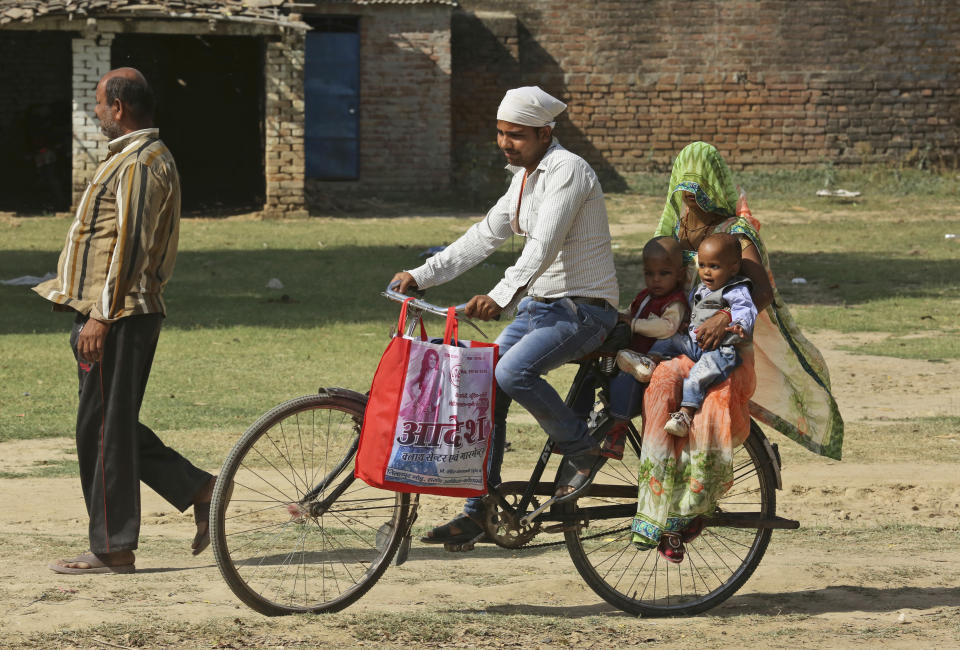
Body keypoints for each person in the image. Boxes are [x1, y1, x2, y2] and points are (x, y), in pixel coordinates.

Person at [391, 86, 619, 545]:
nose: (505, 143)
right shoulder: (522, 180)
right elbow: (482, 237)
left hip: (585, 309)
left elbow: (543, 245)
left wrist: (499, 295)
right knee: (482, 389)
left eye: (515, 135)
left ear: (543, 132)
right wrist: (421, 274)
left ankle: (582, 450)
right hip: (540, 308)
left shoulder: (569, 170)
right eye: (499, 133)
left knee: (513, 372)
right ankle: (480, 509)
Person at [34, 68, 215, 574]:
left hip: (120, 315)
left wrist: (100, 315)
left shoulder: (139, 163)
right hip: (116, 313)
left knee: (104, 432)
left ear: (118, 107)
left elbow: (131, 246)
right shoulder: (135, 158)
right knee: (106, 425)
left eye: (98, 104)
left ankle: (114, 547)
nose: (95, 112)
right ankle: (197, 486)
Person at [631, 141, 843, 563]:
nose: (691, 202)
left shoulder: (734, 234)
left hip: (728, 353)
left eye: (699, 192)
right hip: (689, 344)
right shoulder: (679, 231)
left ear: (714, 188)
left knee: (712, 403)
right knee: (661, 381)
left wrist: (723, 319)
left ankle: (692, 504)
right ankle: (654, 505)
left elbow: (759, 291)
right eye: (685, 193)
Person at [628, 233, 757, 438]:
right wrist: (687, 323)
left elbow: (745, 309)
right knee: (669, 340)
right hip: (695, 344)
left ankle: (685, 414)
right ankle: (648, 361)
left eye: (714, 266)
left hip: (718, 352)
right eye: (703, 265)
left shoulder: (736, 289)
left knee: (695, 378)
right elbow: (695, 312)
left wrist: (740, 324)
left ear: (733, 268)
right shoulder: (701, 289)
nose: (706, 272)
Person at [597, 237, 688, 460]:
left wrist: (634, 324)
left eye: (664, 273)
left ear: (680, 274)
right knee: (596, 373)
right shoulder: (644, 296)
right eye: (649, 273)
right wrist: (620, 318)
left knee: (625, 381)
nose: (655, 280)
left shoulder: (675, 302)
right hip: (630, 356)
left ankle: (618, 430)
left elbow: (667, 328)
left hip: (649, 362)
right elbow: (631, 313)